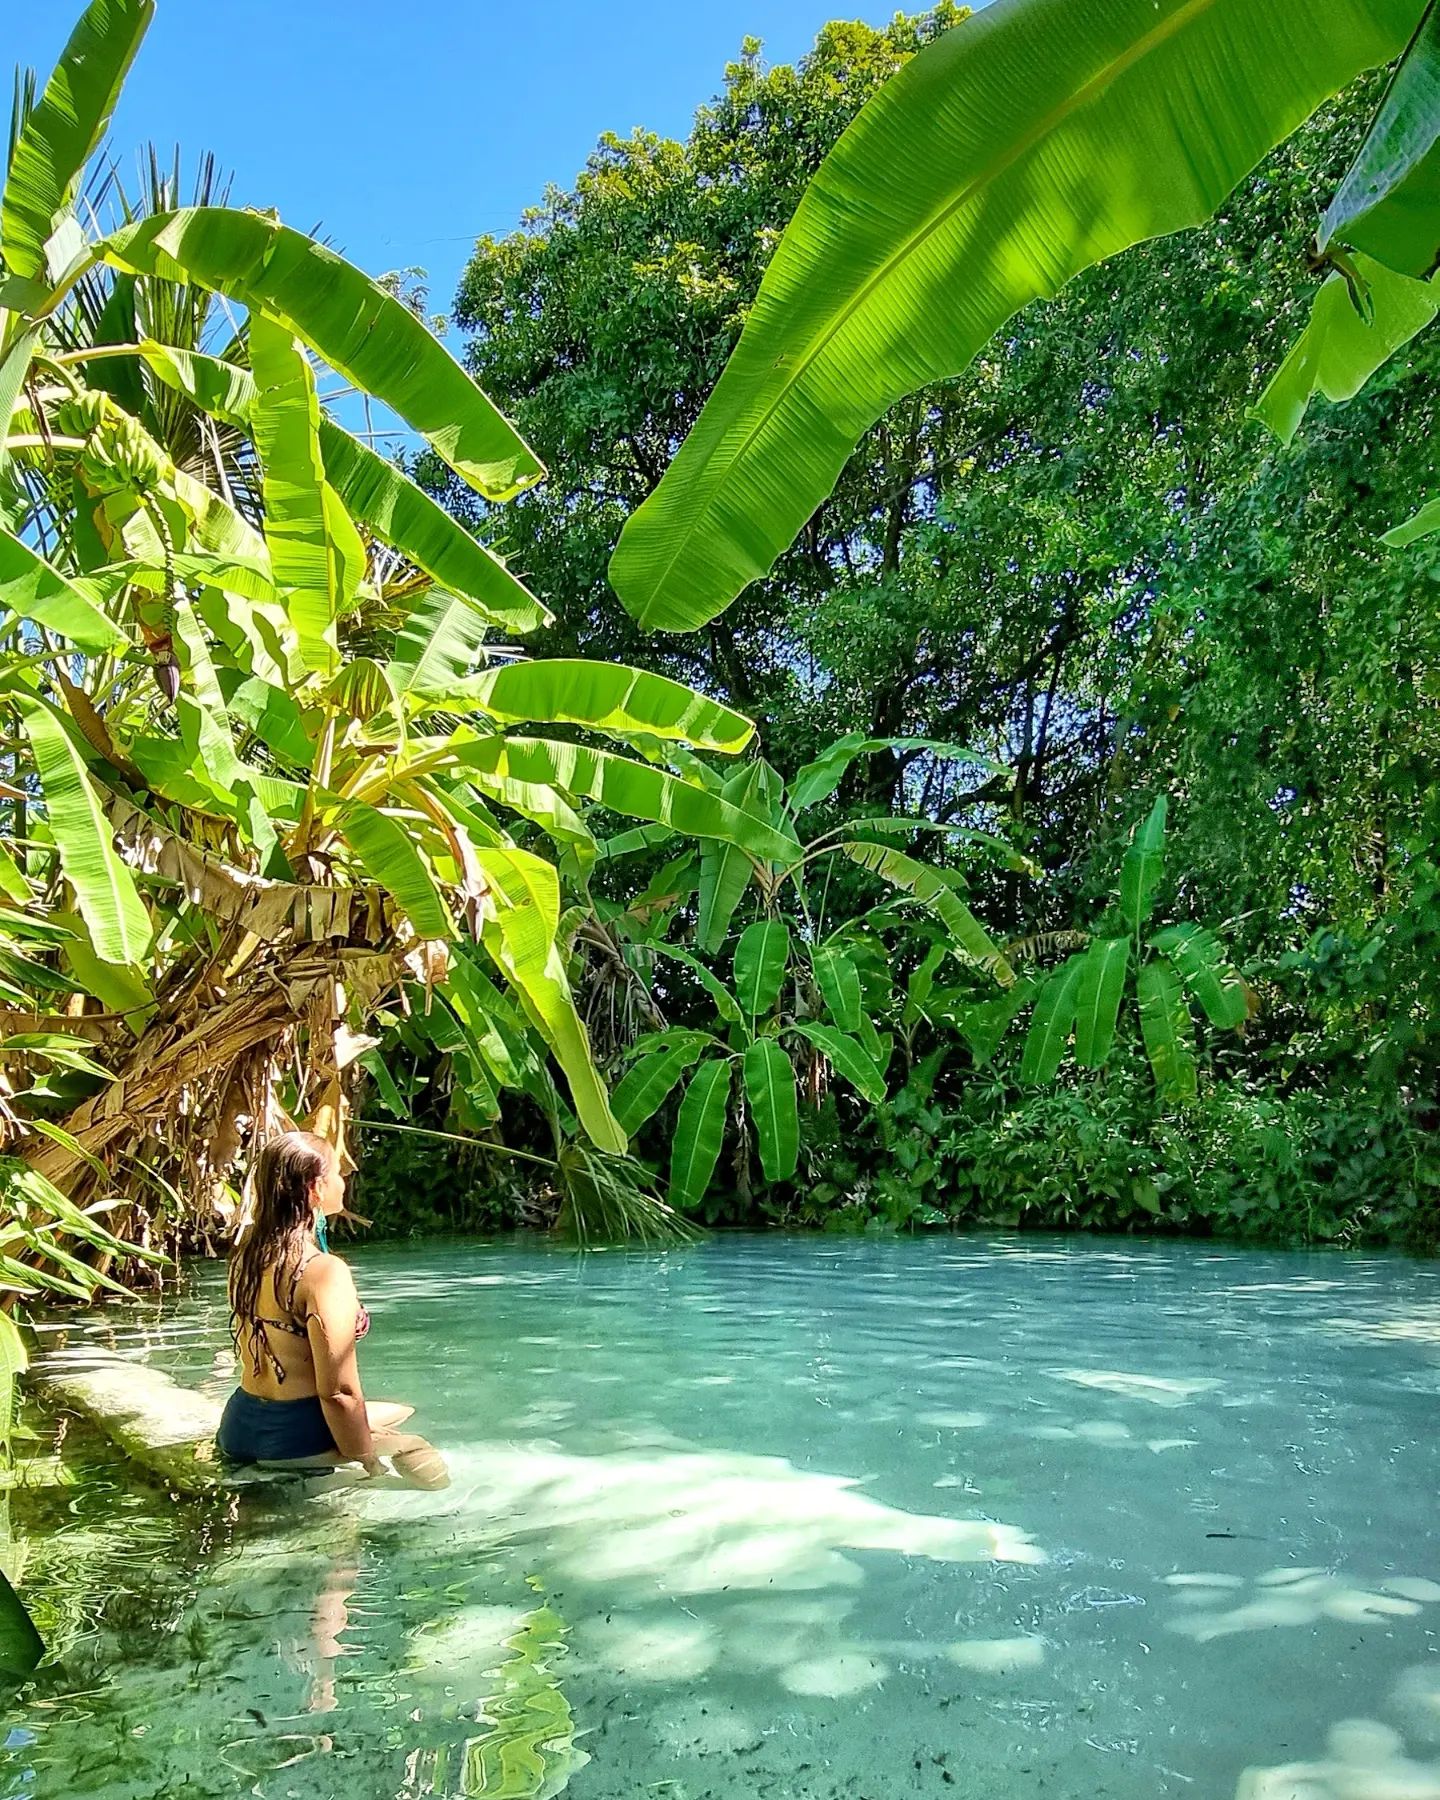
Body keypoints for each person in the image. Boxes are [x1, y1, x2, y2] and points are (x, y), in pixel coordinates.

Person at [217, 1130, 447, 1487]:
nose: (344, 1180)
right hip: (291, 1439)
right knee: (414, 1445)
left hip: (239, 1425)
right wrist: (367, 1458)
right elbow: (338, 1393)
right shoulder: (323, 1272)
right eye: (338, 1172)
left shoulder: (246, 1255)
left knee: (401, 1411)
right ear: (315, 1189)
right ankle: (452, 1519)